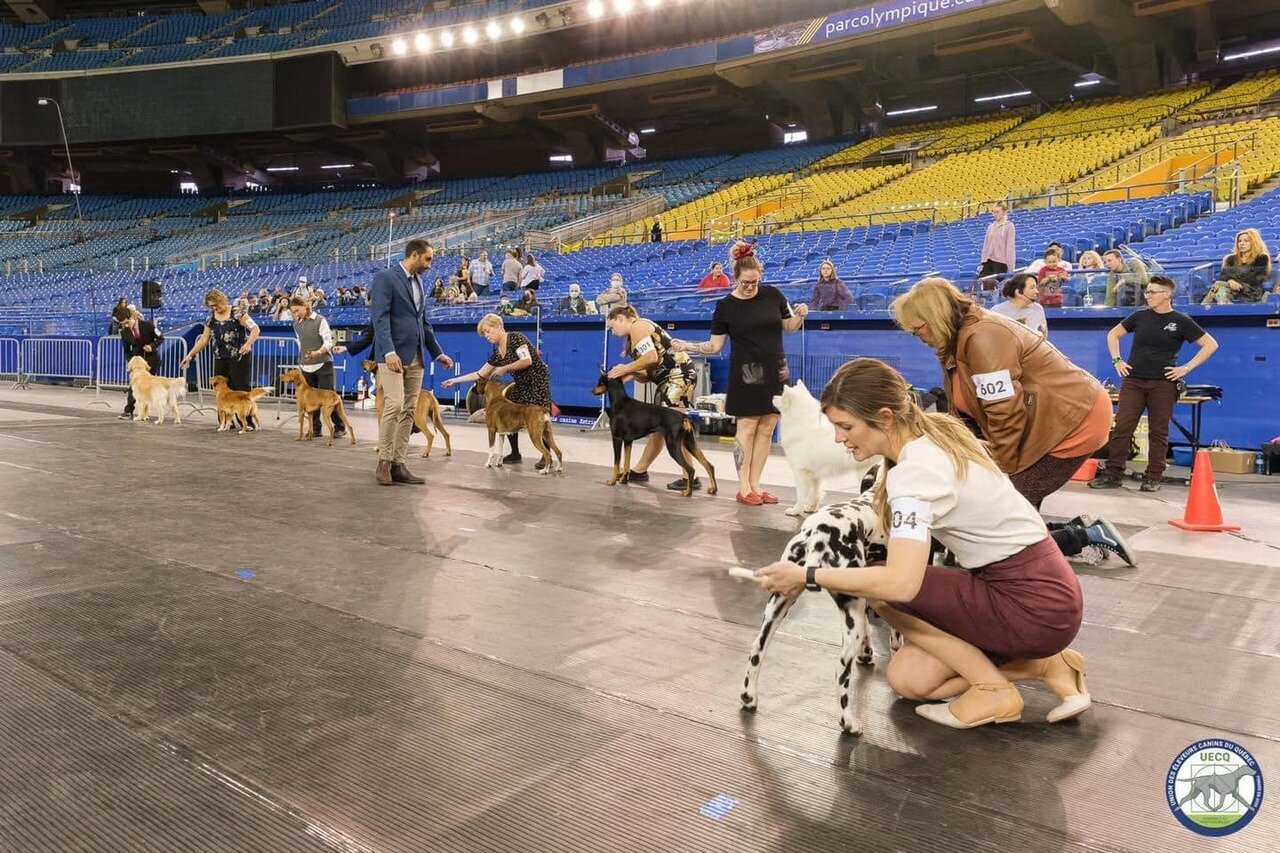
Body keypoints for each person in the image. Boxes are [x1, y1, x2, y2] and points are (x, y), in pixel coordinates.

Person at [752, 358, 1091, 730]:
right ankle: (1046, 664)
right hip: (1047, 594)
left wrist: (807, 574)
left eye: (846, 426)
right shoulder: (937, 437)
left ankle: (993, 688)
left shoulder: (915, 474)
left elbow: (901, 584)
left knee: (881, 585)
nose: (839, 438)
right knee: (909, 680)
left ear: (884, 417)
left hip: (1031, 604)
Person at [892, 278, 1133, 565]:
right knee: (1005, 514)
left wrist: (997, 476)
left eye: (919, 328)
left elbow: (1004, 412)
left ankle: (1088, 535)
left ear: (937, 317)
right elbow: (967, 412)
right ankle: (1079, 530)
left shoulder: (984, 337)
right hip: (1038, 421)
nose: (917, 336)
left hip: (1070, 422)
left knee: (999, 519)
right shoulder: (955, 341)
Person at [673, 253, 808, 504]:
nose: (750, 287)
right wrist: (687, 346)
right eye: (745, 282)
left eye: (754, 282)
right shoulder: (725, 306)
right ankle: (743, 486)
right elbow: (714, 346)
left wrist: (800, 314)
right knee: (747, 428)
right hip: (746, 372)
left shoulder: (774, 295)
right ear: (735, 277)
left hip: (775, 370)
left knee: (767, 428)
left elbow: (789, 327)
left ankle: (756, 484)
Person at [1091, 275, 1219, 492]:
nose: (1147, 295)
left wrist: (1186, 368)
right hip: (1133, 381)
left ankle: (1153, 476)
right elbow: (1114, 334)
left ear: (1167, 294)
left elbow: (1210, 344)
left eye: (1152, 292)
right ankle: (1113, 473)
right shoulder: (1140, 316)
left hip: (1163, 383)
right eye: (1147, 292)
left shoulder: (1181, 320)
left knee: (1158, 430)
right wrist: (1117, 360)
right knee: (1123, 426)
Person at [369, 239, 454, 487]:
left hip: (416, 355)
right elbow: (380, 319)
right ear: (414, 255)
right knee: (394, 405)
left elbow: (423, 323)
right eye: (428, 259)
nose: (430, 264)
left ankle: (399, 463)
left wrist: (437, 352)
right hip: (392, 356)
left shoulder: (418, 282)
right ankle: (383, 462)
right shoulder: (386, 277)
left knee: (408, 410)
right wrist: (388, 352)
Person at [605, 305, 700, 490]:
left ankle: (689, 475)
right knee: (660, 426)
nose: (612, 331)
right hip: (668, 379)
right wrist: (632, 374)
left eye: (612, 326)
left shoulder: (638, 327)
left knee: (674, 426)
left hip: (678, 376)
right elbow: (649, 372)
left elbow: (650, 357)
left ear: (621, 318)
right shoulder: (635, 333)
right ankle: (640, 470)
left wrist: (625, 368)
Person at [442, 314, 553, 468]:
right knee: (508, 414)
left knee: (537, 417)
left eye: (488, 331)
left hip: (537, 382)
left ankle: (546, 456)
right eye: (484, 334)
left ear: (499, 327)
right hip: (521, 384)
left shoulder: (516, 338)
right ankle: (515, 453)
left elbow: (527, 360)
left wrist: (505, 368)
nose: (486, 336)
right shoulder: (497, 354)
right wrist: (455, 380)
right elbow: (480, 374)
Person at [181, 289, 259, 392]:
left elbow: (255, 329)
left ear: (222, 300)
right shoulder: (210, 318)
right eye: (211, 306)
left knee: (240, 390)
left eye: (216, 305)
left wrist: (248, 344)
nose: (215, 308)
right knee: (220, 391)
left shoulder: (237, 312)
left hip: (238, 357)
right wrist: (190, 355)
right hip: (220, 358)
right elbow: (204, 339)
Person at [289, 296, 345, 439]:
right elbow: (301, 344)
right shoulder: (296, 325)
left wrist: (318, 352)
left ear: (305, 306)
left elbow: (328, 342)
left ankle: (339, 426)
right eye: (293, 312)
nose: (296, 314)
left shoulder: (320, 320)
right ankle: (315, 429)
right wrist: (302, 358)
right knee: (310, 400)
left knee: (329, 397)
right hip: (306, 366)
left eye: (297, 310)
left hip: (323, 364)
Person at [1203, 228, 1271, 305]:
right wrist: (1230, 281)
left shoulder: (1261, 257)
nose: (1241, 243)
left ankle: (1203, 308)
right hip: (1229, 289)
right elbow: (1223, 277)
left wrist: (1235, 281)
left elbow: (1256, 278)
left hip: (1250, 290)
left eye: (1246, 241)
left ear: (1254, 242)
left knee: (1218, 288)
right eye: (1239, 241)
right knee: (1219, 289)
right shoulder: (1230, 259)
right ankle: (1225, 305)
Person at [118, 308, 164, 421]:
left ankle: (144, 412)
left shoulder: (148, 325)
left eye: (127, 322)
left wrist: (152, 346)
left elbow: (160, 338)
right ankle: (128, 411)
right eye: (123, 324)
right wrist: (130, 362)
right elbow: (126, 350)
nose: (127, 326)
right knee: (134, 387)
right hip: (137, 363)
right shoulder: (124, 332)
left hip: (151, 361)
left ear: (133, 316)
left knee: (147, 388)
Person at [977, 201, 1015, 279]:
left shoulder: (1009, 226)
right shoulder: (990, 227)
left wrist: (1011, 268)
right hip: (988, 262)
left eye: (997, 212)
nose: (995, 214)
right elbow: (985, 246)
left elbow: (1010, 248)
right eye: (993, 212)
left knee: (994, 284)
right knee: (981, 281)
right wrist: (982, 262)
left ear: (1004, 212)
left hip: (1001, 263)